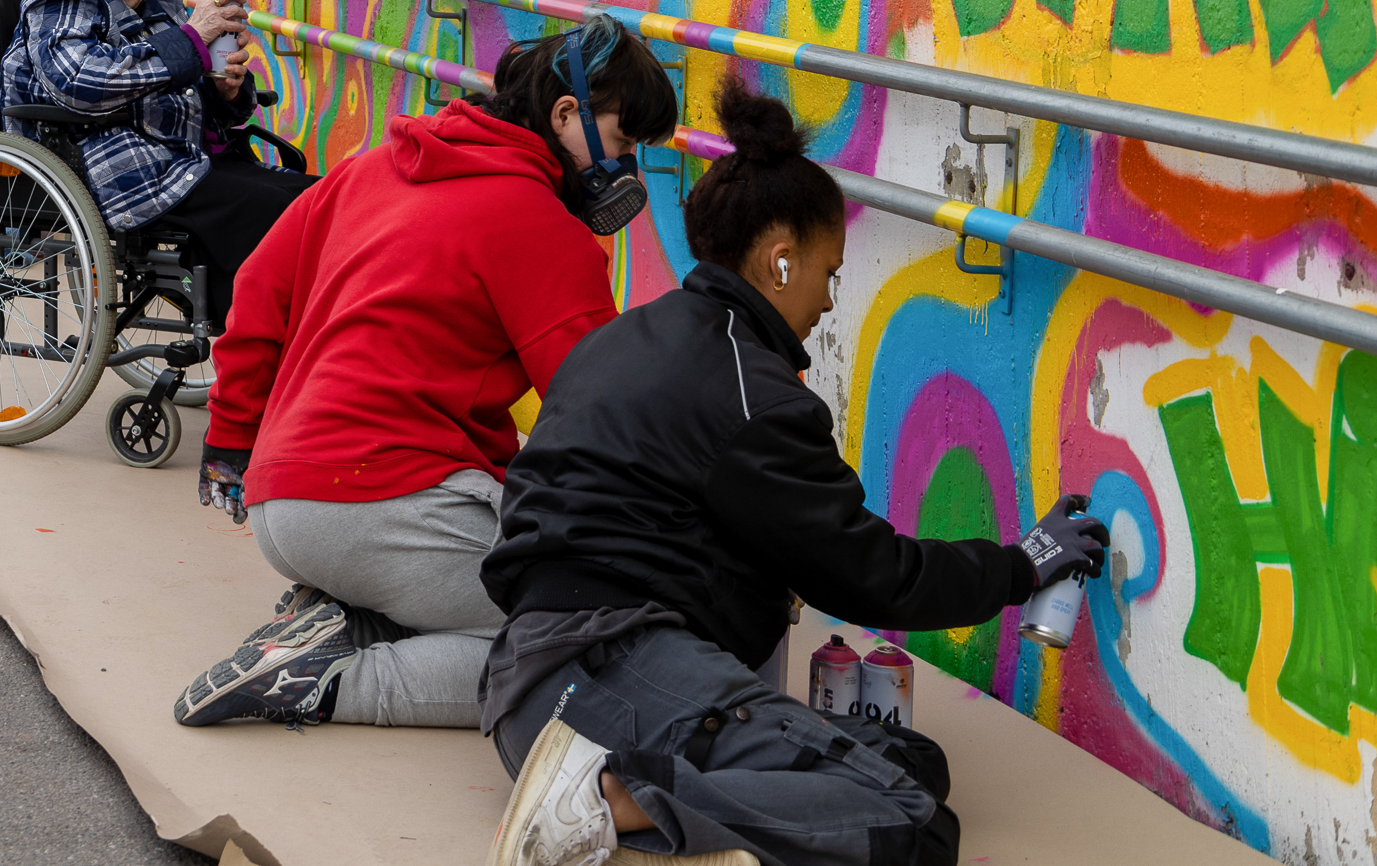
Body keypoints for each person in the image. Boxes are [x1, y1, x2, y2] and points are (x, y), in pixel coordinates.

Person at [474, 76, 1111, 866]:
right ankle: (607, 799)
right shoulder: (752, 393)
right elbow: (871, 575)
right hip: (610, 682)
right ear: (780, 262)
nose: (827, 298)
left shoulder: (629, 336)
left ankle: (619, 799)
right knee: (906, 822)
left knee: (912, 762)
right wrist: (1020, 568)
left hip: (532, 685)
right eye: (828, 271)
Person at [171, 16, 681, 732]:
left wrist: (230, 439)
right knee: (594, 640)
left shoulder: (367, 169)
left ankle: (344, 618)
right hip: (385, 509)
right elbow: (596, 408)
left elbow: (257, 291)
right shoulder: (537, 224)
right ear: (567, 114)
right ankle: (325, 682)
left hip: (279, 503)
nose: (625, 169)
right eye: (625, 141)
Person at [2, 0, 315, 324]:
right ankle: (271, 347)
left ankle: (296, 341)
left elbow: (174, 79)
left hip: (184, 159)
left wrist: (226, 91)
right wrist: (192, 39)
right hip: (119, 172)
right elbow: (80, 83)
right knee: (280, 215)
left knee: (322, 199)